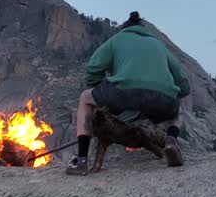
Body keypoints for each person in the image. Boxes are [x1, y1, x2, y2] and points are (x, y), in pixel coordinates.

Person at [67, 12, 191, 174]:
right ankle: (171, 141)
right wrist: (171, 93)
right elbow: (183, 82)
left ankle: (81, 160)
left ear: (125, 29)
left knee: (85, 98)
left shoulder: (117, 40)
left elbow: (92, 68)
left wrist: (100, 89)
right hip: (161, 98)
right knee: (178, 109)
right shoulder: (158, 44)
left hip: (123, 93)